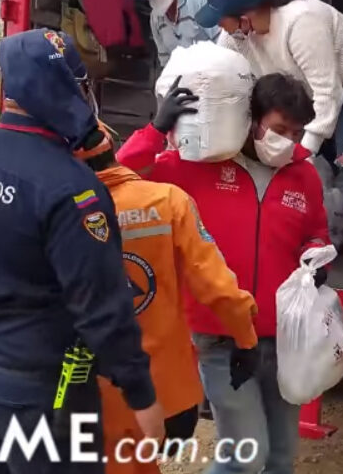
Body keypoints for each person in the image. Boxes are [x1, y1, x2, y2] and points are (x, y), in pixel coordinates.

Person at [0, 29, 164, 472]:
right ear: (60, 87)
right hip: (45, 393)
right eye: (82, 85)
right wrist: (141, 394)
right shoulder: (73, 191)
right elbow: (101, 306)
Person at [117, 72, 330, 474]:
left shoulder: (303, 174)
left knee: (281, 459)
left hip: (284, 338)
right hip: (219, 335)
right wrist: (155, 129)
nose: (288, 140)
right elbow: (119, 177)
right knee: (244, 459)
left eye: (297, 131)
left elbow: (315, 231)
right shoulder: (197, 165)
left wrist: (317, 256)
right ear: (252, 120)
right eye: (279, 128)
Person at [76, 127, 260, 474]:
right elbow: (217, 287)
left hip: (92, 393)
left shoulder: (61, 213)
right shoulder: (168, 201)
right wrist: (245, 339)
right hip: (169, 396)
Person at [194, 0, 343, 236]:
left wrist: (304, 152)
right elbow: (223, 77)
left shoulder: (301, 24)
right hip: (304, 88)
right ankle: (319, 232)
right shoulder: (235, 38)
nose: (220, 28)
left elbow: (328, 93)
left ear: (245, 18)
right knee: (294, 155)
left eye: (222, 21)